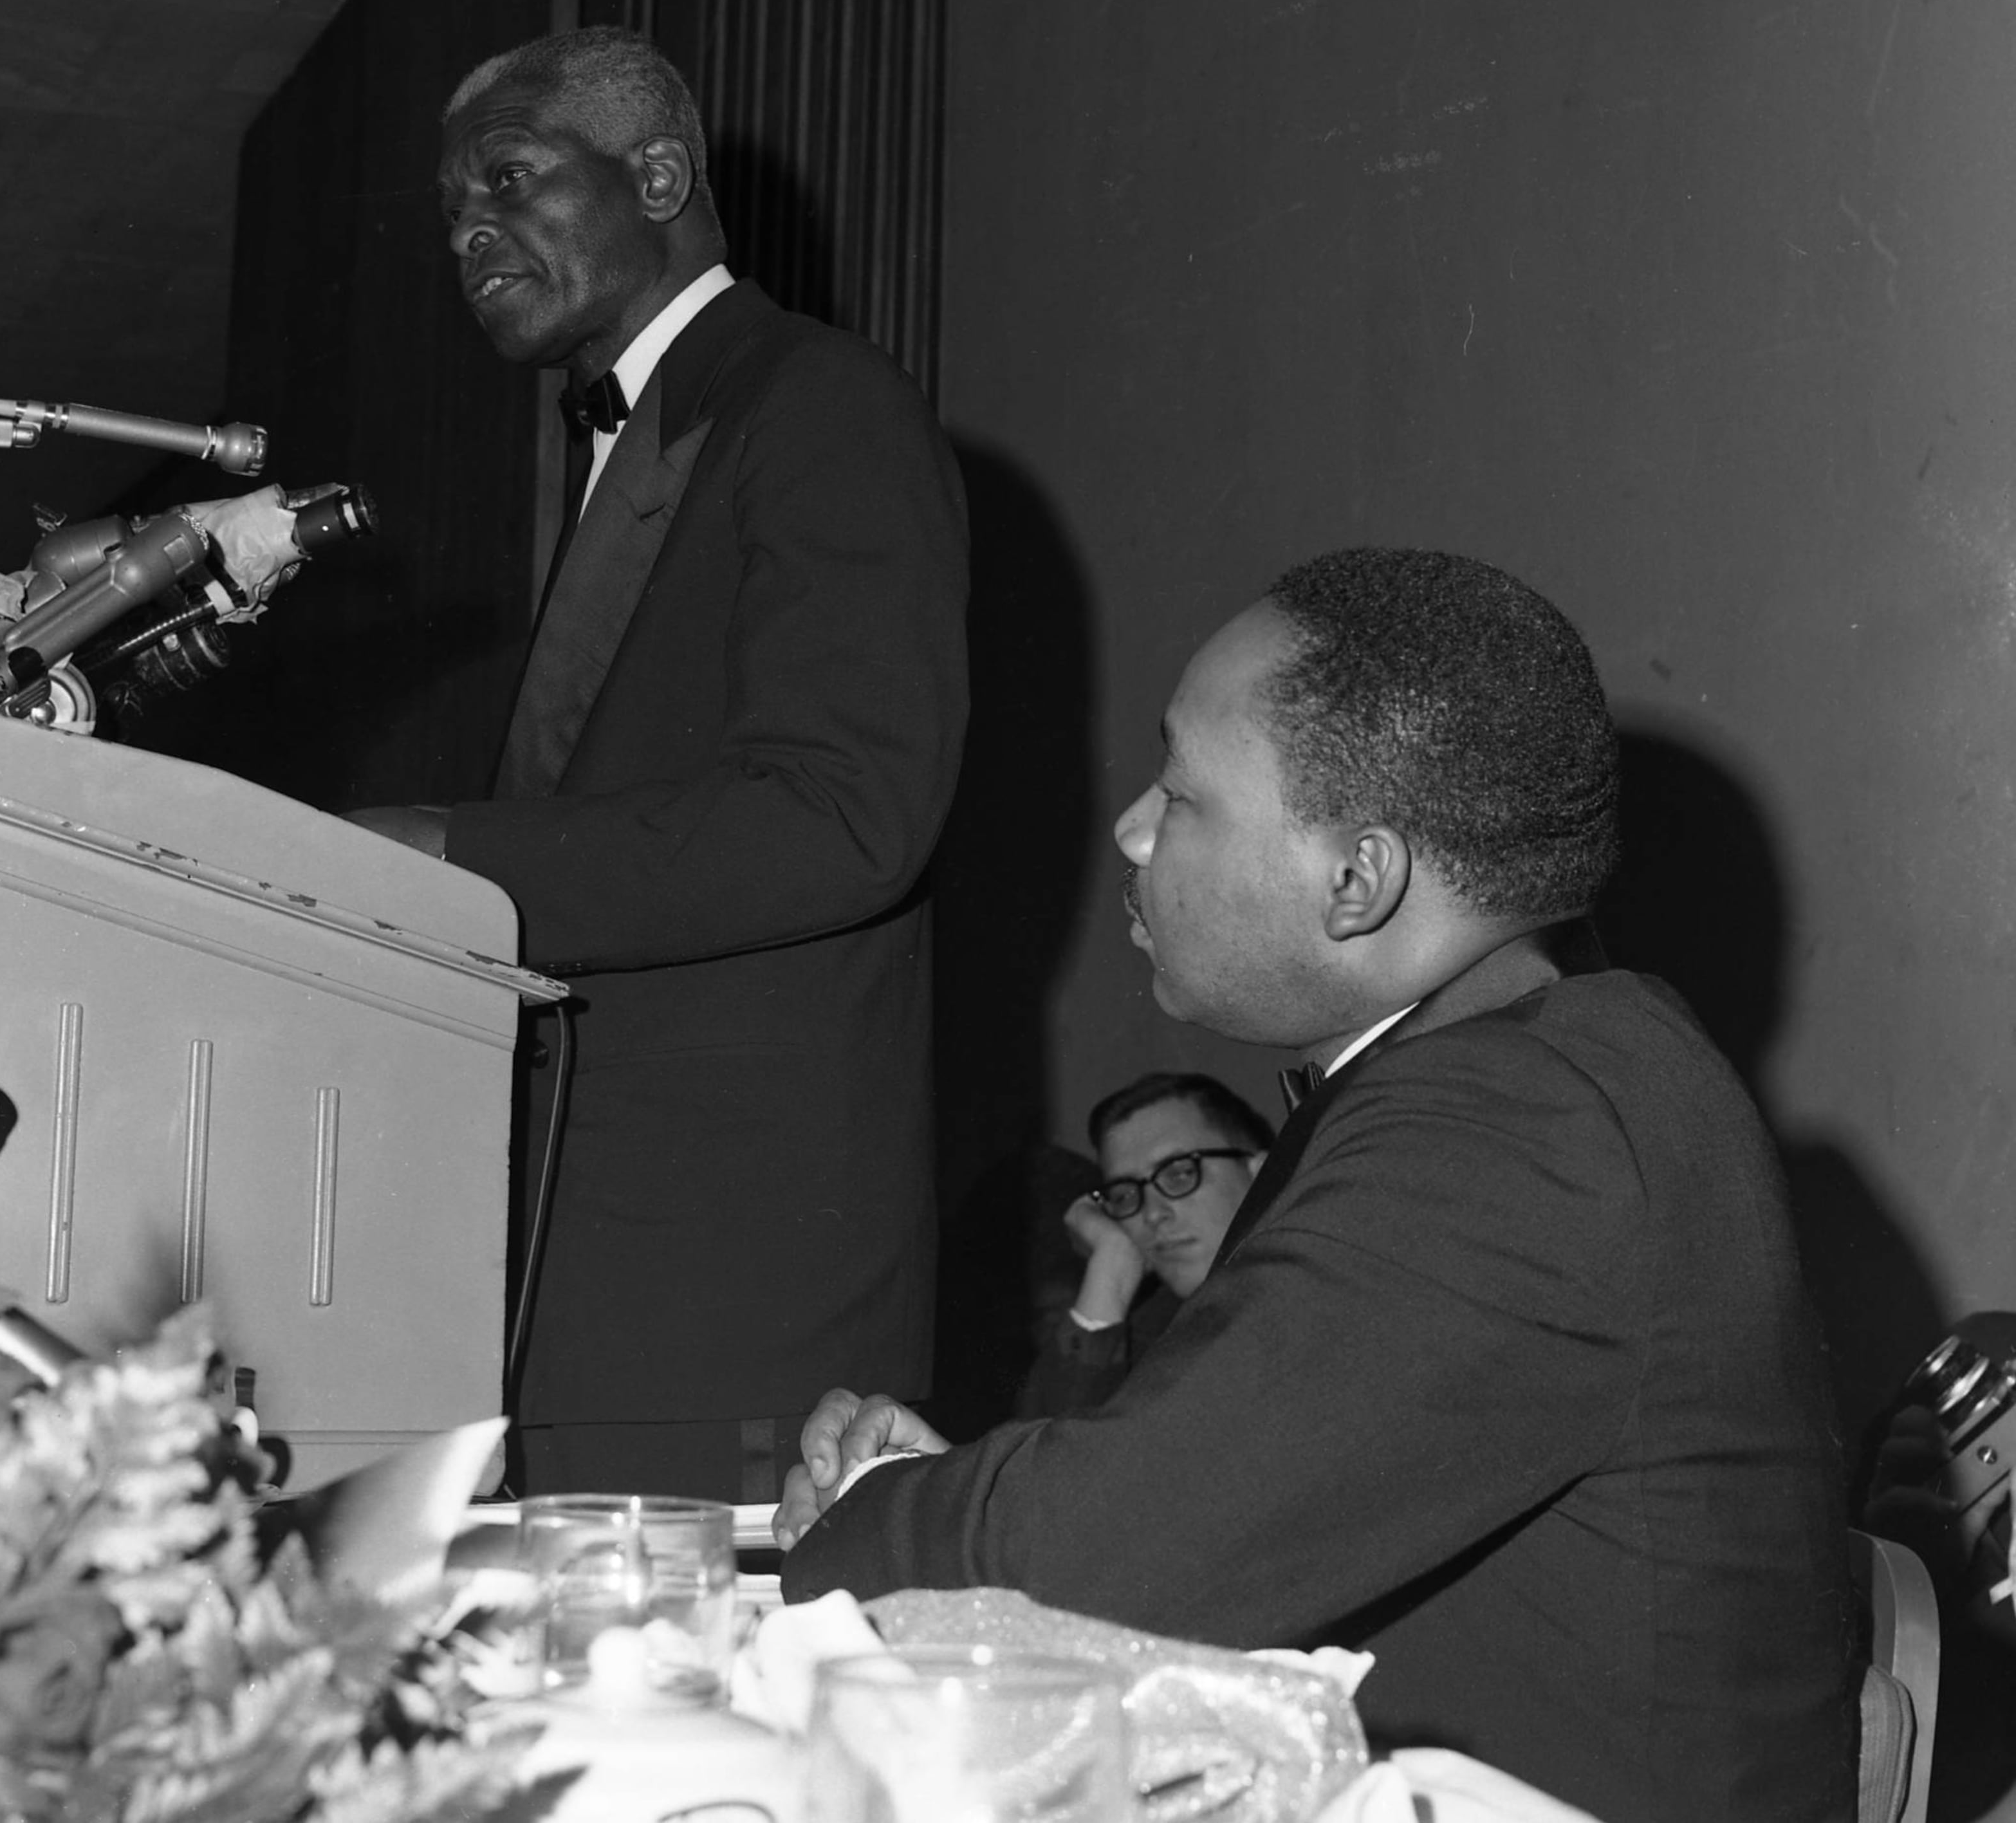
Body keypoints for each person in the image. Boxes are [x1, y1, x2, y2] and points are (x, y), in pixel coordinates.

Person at [779, 547, 1856, 1823]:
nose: (1132, 827)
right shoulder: (1535, 1065)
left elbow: (1111, 1552)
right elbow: (1200, 1490)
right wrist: (995, 1496)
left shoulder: (1517, 1123)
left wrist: (867, 1514)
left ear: (1360, 880)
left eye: (1181, 791)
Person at [344, 26, 969, 1503]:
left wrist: (437, 855)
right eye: (450, 211)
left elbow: (843, 817)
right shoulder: (648, 440)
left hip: (727, 1306)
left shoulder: (817, 405)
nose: (469, 231)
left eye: (507, 178)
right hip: (586, 1291)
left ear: (659, 175)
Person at [1013, 1071, 1270, 1420]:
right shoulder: (1150, 1336)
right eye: (1125, 1194)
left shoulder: (1334, 1288)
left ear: (1261, 1174)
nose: (1152, 1214)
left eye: (1179, 1173)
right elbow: (1042, 1463)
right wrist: (1112, 1265)